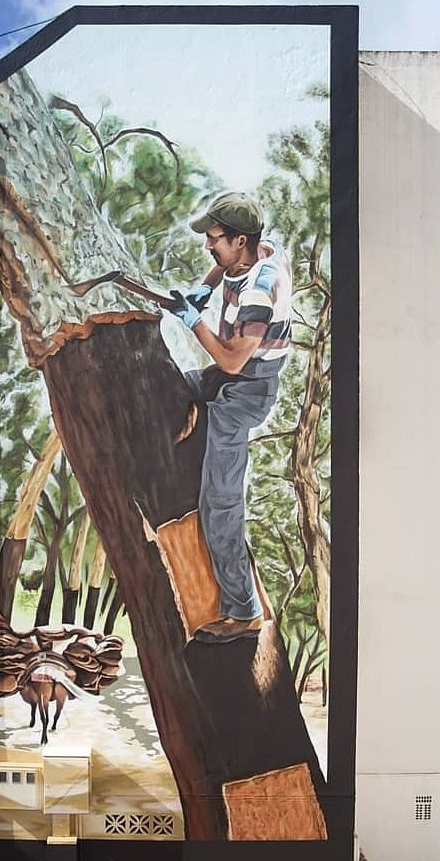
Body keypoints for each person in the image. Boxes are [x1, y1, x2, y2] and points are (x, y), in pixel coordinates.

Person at [170, 191, 293, 643]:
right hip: (237, 375)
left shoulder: (259, 293)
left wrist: (192, 320)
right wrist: (204, 288)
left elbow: (231, 362)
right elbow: (225, 265)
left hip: (246, 389)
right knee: (169, 387)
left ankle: (243, 611)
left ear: (240, 240)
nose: (208, 246)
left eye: (215, 239)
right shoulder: (260, 248)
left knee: (220, 507)